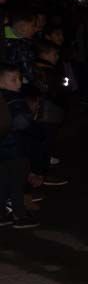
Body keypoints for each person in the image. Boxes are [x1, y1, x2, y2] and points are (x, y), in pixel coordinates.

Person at [0, 64, 40, 229]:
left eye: (19, 79)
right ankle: (20, 215)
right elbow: (22, 123)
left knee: (2, 183)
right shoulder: (15, 99)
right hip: (16, 150)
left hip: (2, 150)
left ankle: (1, 215)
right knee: (17, 184)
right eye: (13, 79)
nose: (19, 83)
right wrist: (31, 117)